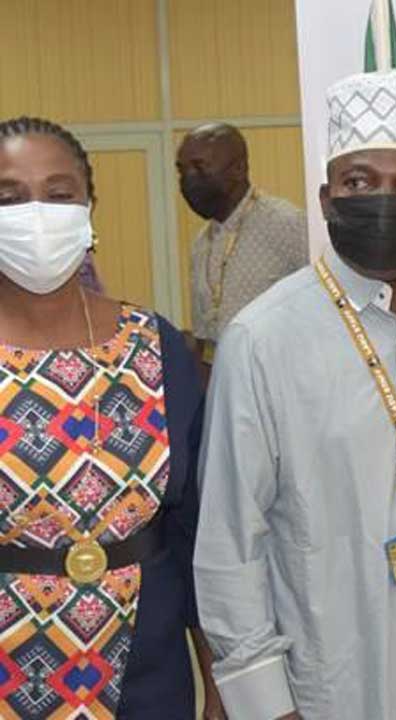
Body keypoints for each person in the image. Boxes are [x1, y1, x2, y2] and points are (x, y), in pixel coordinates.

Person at [193, 70, 396, 720]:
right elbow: (230, 538)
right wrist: (263, 702)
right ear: (326, 198)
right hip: (333, 675)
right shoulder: (261, 340)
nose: (385, 200)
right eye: (361, 182)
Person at [0, 117, 219, 717]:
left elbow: (196, 530)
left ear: (89, 210)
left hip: (148, 669)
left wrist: (216, 674)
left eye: (58, 194)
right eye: (10, 198)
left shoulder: (155, 344)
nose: (36, 215)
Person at [177, 123, 308, 367]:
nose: (188, 179)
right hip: (225, 380)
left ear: (238, 168)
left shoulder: (287, 224)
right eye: (182, 170)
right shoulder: (201, 244)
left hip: (284, 376)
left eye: (199, 167)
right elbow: (205, 338)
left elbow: (328, 308)